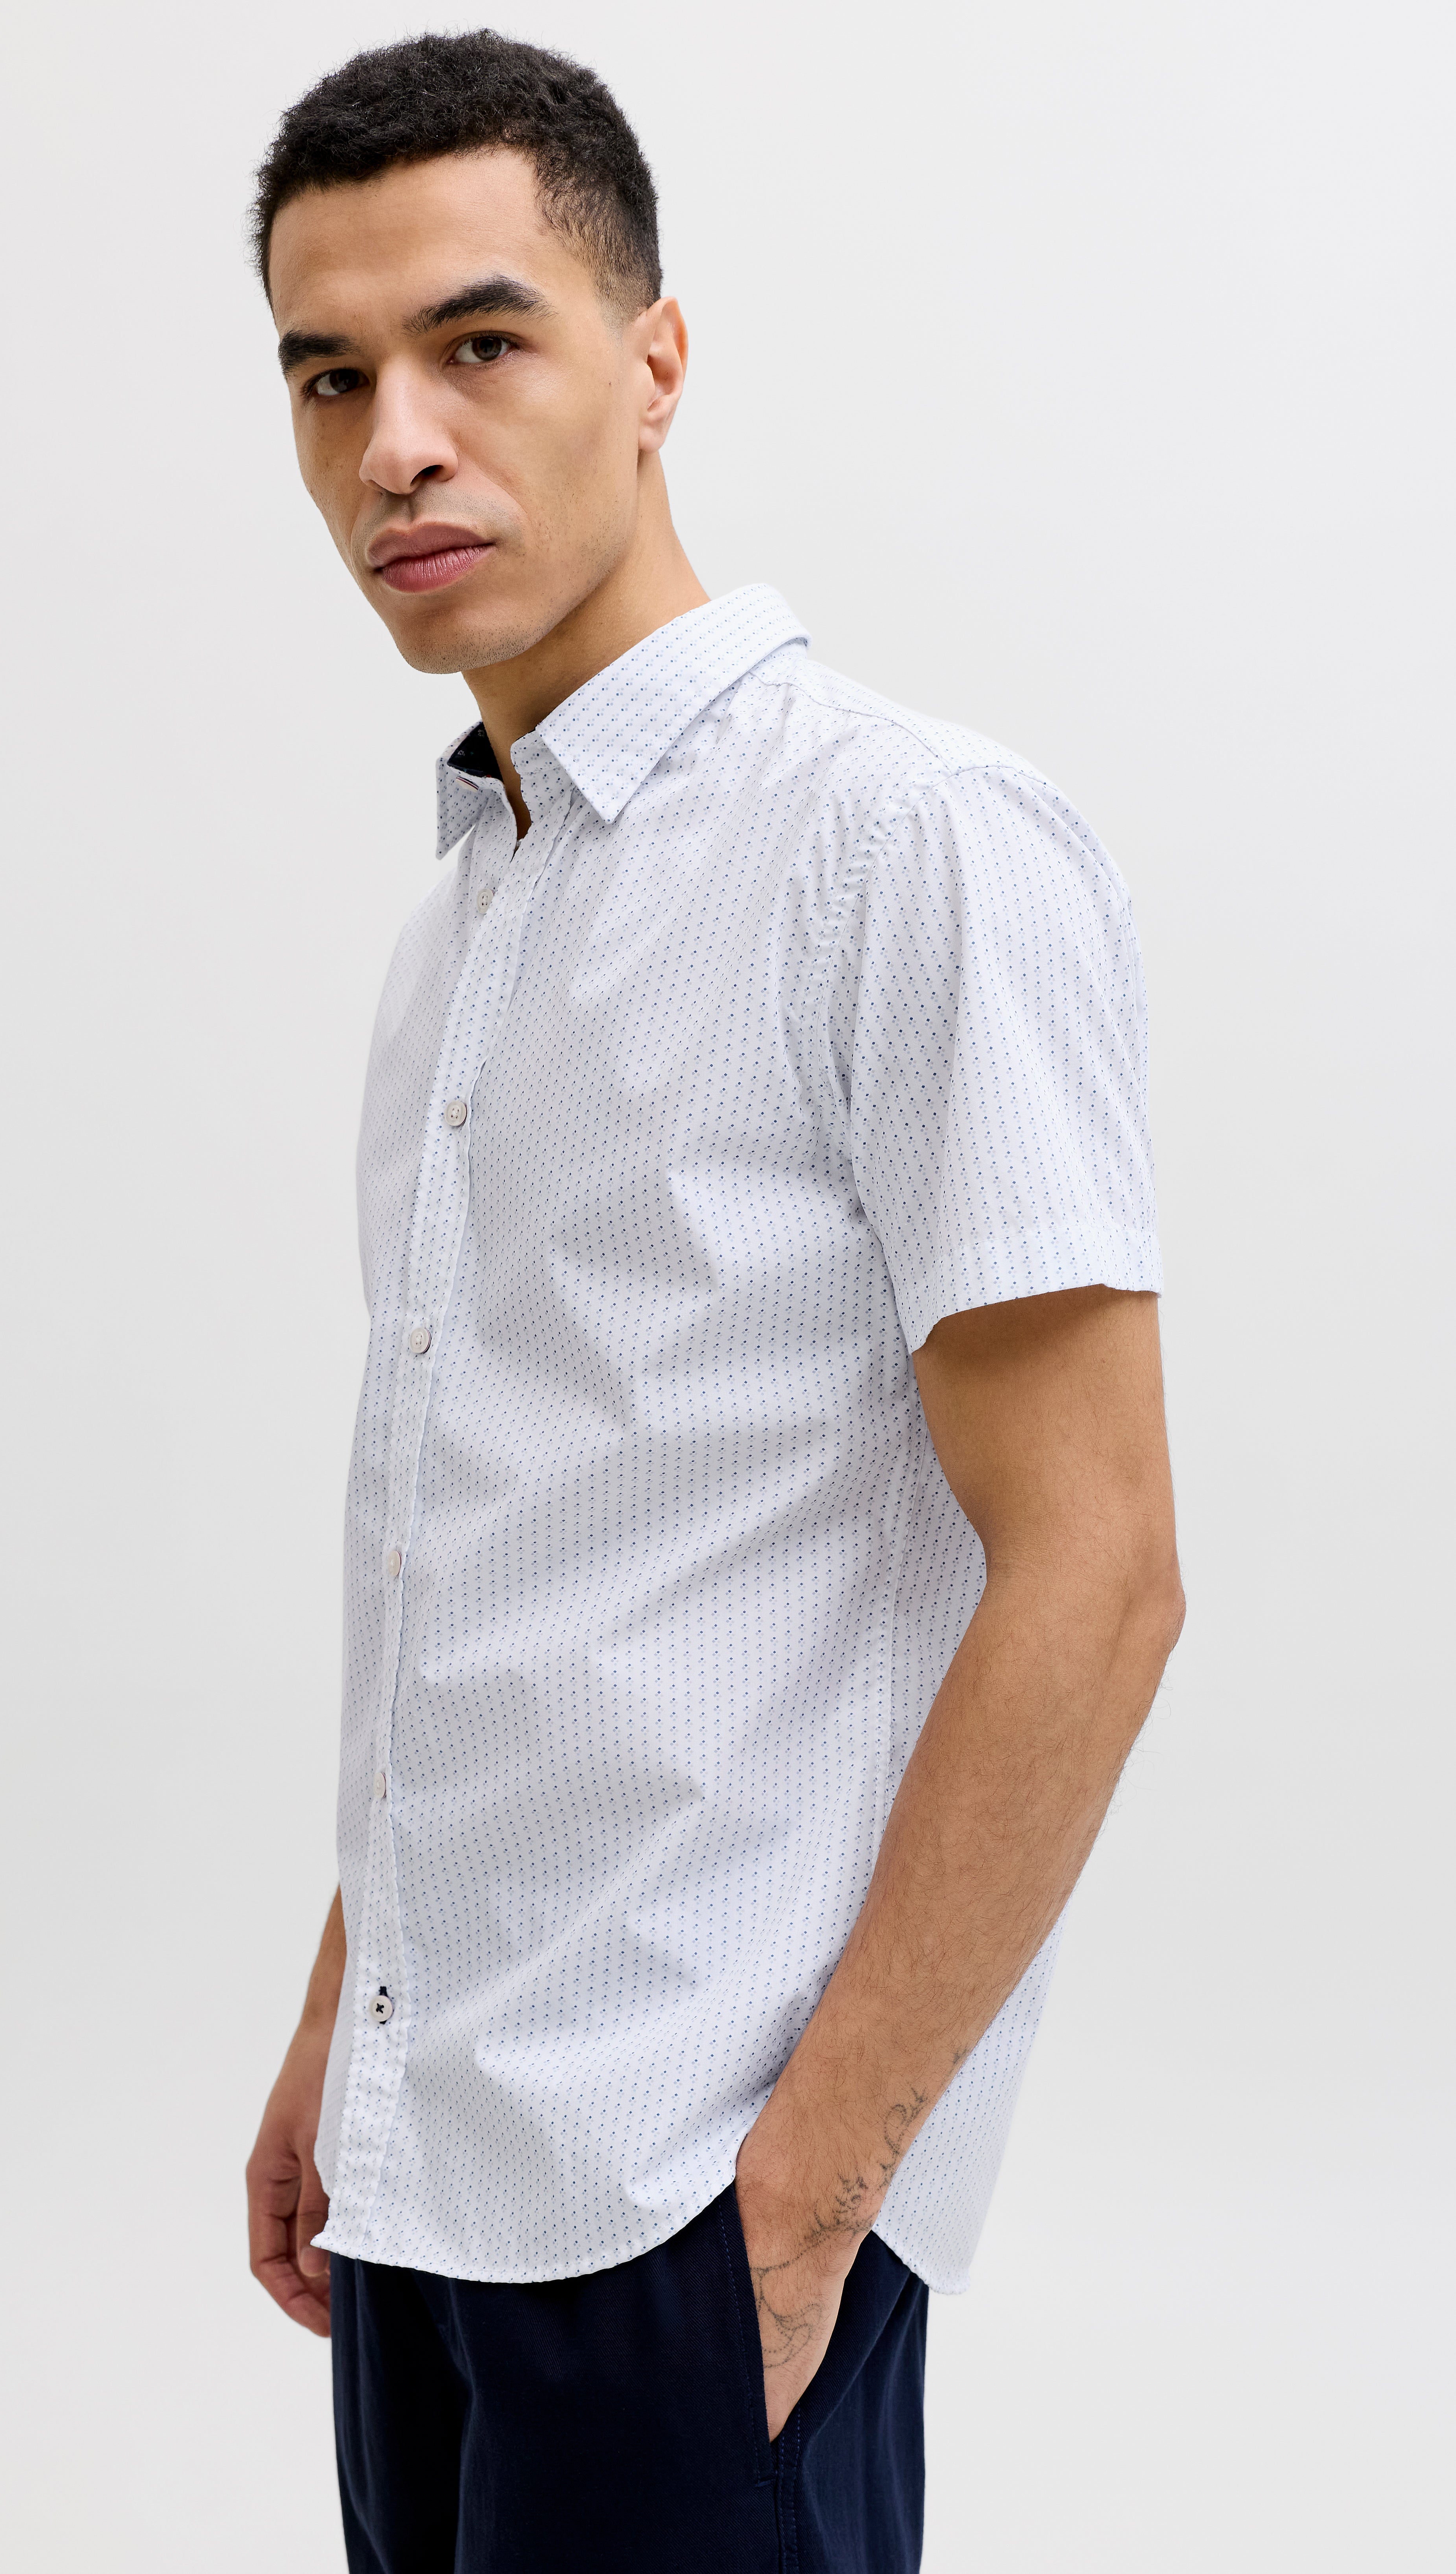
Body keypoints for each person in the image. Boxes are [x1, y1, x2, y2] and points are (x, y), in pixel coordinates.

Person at [242, 32, 1184, 2572]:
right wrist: (351, 2021)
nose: (395, 445)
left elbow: (1101, 1566)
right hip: (436, 2172)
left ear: (655, 363)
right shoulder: (467, 930)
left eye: (479, 343)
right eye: (328, 378)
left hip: (694, 2195)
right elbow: (498, 1541)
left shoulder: (903, 845)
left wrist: (813, 2192)